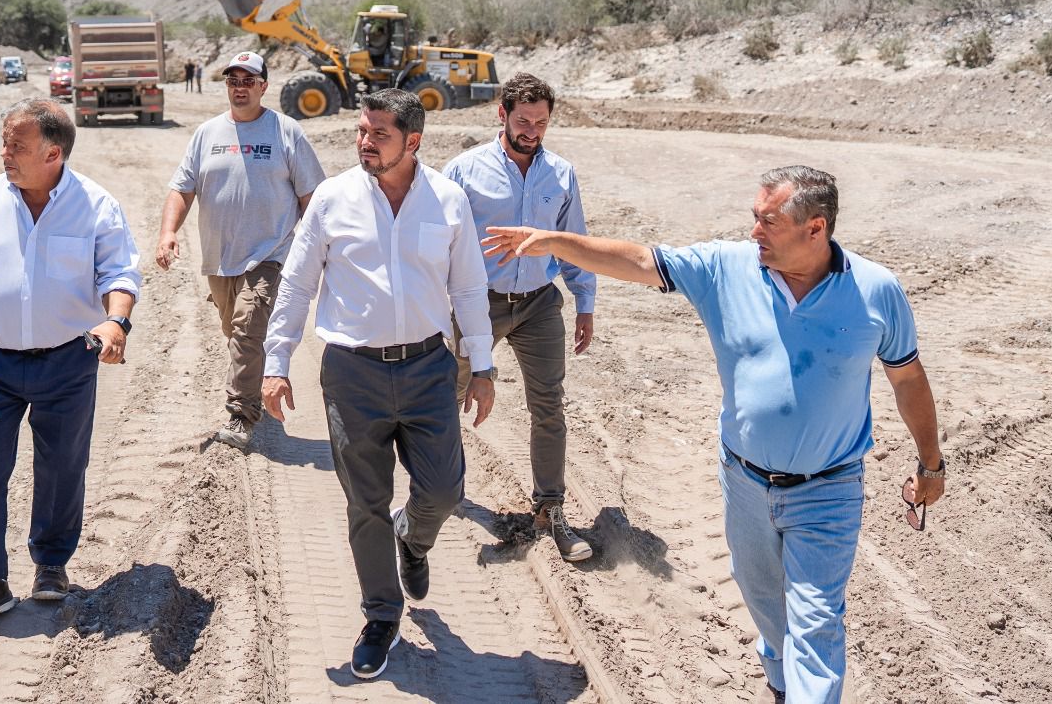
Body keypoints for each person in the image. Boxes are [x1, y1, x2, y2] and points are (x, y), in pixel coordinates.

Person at [483, 166, 945, 704]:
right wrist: (554, 242)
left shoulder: (875, 290)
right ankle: (779, 678)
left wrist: (930, 463)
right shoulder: (727, 268)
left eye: (768, 221)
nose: (754, 231)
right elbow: (637, 260)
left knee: (816, 622)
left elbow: (908, 378)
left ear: (815, 228)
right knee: (767, 606)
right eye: (754, 218)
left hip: (829, 488)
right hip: (745, 483)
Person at [262, 88, 496, 681]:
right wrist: (277, 361)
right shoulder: (332, 200)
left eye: (379, 135)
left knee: (443, 489)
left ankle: (413, 540)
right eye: (361, 133)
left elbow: (468, 287)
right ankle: (381, 615)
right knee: (365, 502)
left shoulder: (448, 201)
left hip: (427, 367)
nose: (364, 143)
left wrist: (484, 365)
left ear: (412, 141)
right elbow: (296, 284)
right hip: (352, 374)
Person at [0, 98, 140, 629]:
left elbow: (119, 274)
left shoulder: (95, 205)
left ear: (53, 153)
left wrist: (116, 323)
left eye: (17, 145)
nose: (5, 154)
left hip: (66, 360)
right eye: (4, 142)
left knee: (62, 466)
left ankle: (50, 564)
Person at [441, 72, 597, 562]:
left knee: (549, 406)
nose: (532, 130)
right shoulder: (465, 170)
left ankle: (551, 510)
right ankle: (440, 494)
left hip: (538, 305)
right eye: (523, 120)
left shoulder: (562, 174)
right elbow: (437, 240)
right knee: (449, 395)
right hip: (476, 304)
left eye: (542, 122)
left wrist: (585, 302)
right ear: (502, 114)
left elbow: (575, 242)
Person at [157, 51, 326, 451]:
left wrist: (321, 249)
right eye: (233, 80)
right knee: (238, 333)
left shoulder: (286, 132)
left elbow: (312, 197)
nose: (240, 87)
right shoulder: (207, 134)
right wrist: (168, 233)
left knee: (248, 330)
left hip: (270, 253)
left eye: (249, 80)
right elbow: (182, 188)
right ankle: (259, 380)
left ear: (264, 86)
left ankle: (241, 414)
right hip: (219, 259)